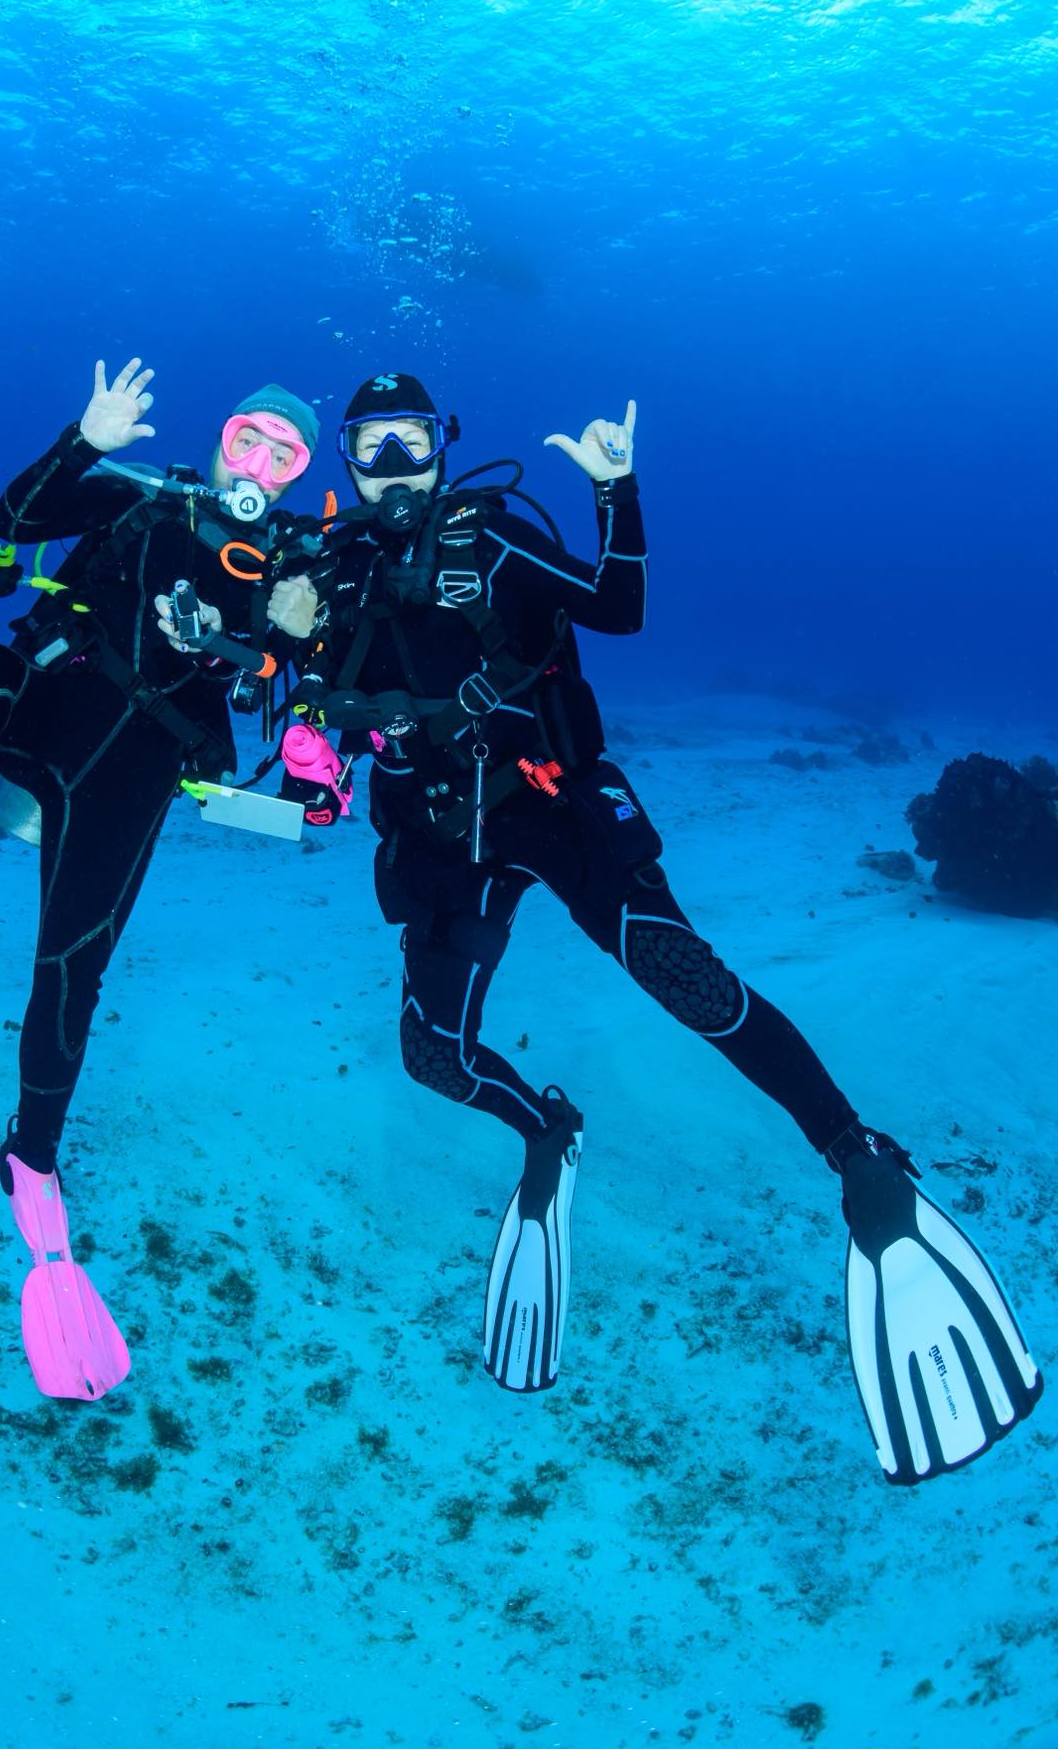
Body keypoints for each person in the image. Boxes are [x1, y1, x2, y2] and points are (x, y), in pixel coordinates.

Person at [266, 371, 1043, 1485]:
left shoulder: (492, 543)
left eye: (410, 441)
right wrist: (302, 747)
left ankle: (854, 1154)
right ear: (344, 460)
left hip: (548, 800)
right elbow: (304, 720)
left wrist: (617, 493)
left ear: (442, 446)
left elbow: (615, 607)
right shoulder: (326, 575)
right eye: (369, 446)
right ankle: (548, 1130)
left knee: (684, 977)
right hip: (437, 836)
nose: (392, 465)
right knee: (433, 1055)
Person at [0, 357, 318, 1402]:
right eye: (247, 436)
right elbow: (14, 515)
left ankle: (32, 1160)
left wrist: (307, 664)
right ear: (219, 438)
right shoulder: (141, 495)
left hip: (134, 769)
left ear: (301, 473)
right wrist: (86, 437)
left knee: (71, 967)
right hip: (41, 711)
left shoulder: (297, 562)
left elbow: (332, 693)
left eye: (284, 451)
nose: (259, 459)